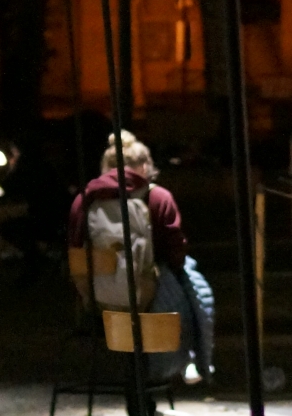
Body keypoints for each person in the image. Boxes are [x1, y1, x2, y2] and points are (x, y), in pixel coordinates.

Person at [67, 130, 216, 399]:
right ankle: (194, 359)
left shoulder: (84, 200)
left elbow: (75, 248)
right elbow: (176, 251)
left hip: (96, 299)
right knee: (195, 287)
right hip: (146, 297)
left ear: (106, 167)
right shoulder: (158, 197)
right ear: (145, 166)